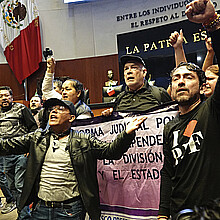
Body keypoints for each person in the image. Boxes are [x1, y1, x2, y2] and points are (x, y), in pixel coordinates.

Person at [0, 97, 147, 220]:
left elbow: (111, 152)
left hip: (70, 211)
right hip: (41, 209)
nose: (54, 111)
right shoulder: (37, 138)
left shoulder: (83, 140)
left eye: (60, 109)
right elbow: (6, 146)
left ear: (71, 118)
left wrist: (126, 134)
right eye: (52, 109)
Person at [158, 1, 220, 219]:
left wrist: (211, 23)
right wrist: (162, 214)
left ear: (202, 87)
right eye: (176, 78)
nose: (181, 82)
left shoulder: (212, 111)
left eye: (188, 77)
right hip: (178, 213)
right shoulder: (169, 127)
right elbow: (167, 173)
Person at [0, 86, 37, 219]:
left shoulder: (21, 109)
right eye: (1, 96)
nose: (4, 98)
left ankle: (25, 216)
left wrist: (29, 149)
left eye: (6, 95)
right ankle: (22, 213)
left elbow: (33, 129)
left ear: (11, 97)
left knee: (20, 184)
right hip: (5, 155)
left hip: (21, 153)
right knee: (12, 187)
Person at [102, 55, 172, 115]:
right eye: (126, 69)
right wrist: (109, 115)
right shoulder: (120, 98)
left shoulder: (159, 93)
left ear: (144, 72)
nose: (129, 72)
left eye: (134, 67)